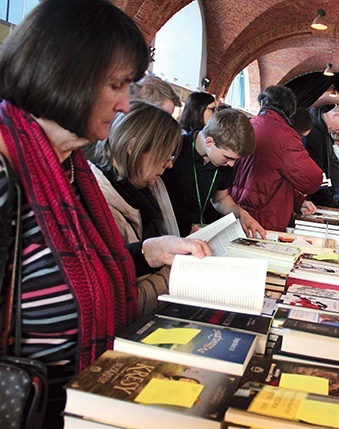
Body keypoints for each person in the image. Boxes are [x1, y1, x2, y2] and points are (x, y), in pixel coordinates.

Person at [0, 1, 211, 426]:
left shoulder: (69, 168)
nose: (125, 105)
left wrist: (147, 251)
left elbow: (76, 268)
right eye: (117, 85)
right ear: (64, 73)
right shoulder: (8, 169)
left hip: (84, 405)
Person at [231, 85, 323, 232]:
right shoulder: (284, 135)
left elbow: (271, 175)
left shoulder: (247, 124)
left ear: (262, 103)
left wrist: (298, 201)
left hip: (234, 209)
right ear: (290, 111)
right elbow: (312, 180)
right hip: (264, 217)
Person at [162, 108, 265, 238]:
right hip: (167, 234)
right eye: (227, 157)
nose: (231, 164)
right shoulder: (175, 149)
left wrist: (241, 213)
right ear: (209, 142)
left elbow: (220, 199)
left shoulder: (224, 162)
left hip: (199, 234)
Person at [91, 101, 181, 243]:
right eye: (164, 155)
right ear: (133, 148)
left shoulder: (145, 186)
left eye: (171, 156)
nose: (169, 164)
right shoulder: (100, 206)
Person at [304, 104, 339, 207]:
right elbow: (315, 169)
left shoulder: (325, 131)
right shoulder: (314, 131)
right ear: (335, 115)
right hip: (315, 198)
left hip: (323, 195)